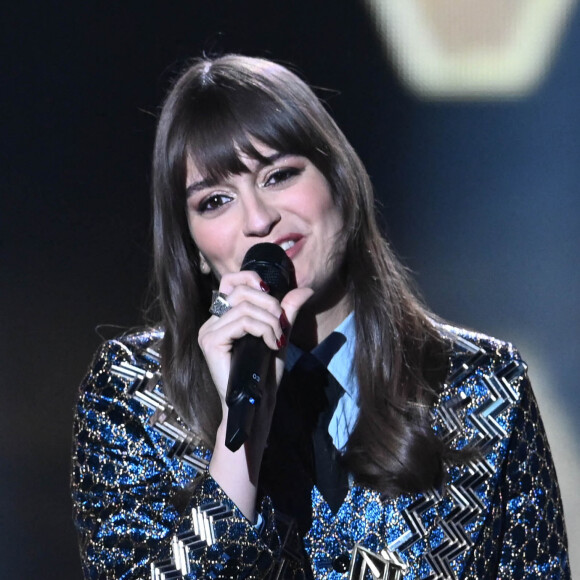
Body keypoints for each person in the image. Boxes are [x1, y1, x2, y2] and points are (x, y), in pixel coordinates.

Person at [71, 55, 569, 580]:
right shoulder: (133, 395)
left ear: (340, 180)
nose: (259, 219)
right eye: (215, 201)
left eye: (279, 175)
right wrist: (239, 443)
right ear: (192, 245)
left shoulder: (482, 386)